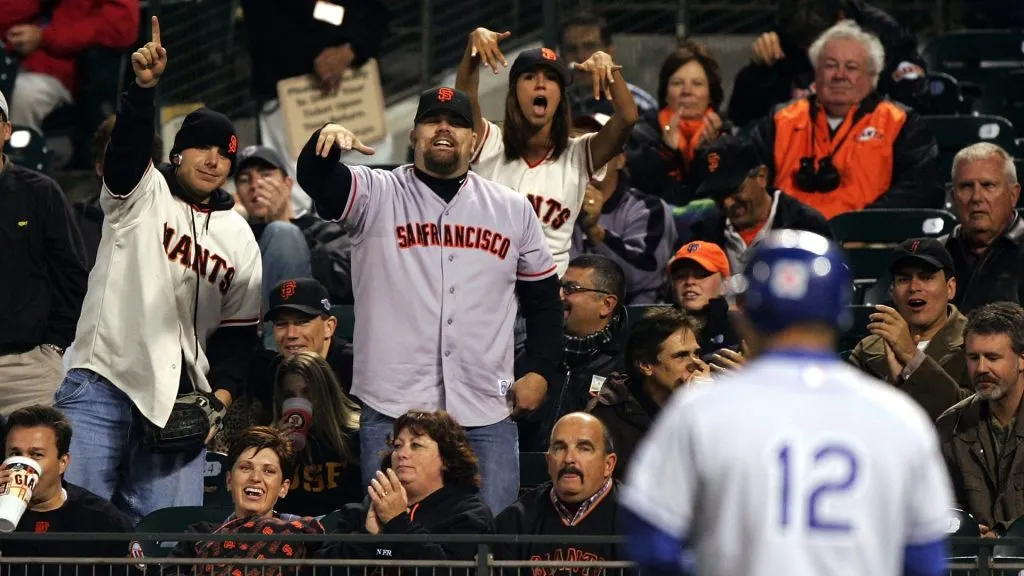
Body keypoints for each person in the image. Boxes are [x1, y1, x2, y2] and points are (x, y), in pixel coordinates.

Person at [621, 230, 953, 576]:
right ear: (839, 310)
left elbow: (651, 541)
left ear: (747, 313)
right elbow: (926, 560)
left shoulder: (701, 409)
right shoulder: (896, 417)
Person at [295, 87, 562, 514]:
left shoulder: (512, 209)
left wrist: (540, 370)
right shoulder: (375, 193)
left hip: (484, 407)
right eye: (433, 120)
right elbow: (317, 178)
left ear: (474, 140)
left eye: (456, 123)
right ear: (414, 134)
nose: (444, 129)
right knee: (391, 537)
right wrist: (324, 143)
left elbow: (544, 299)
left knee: (488, 538)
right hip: (393, 406)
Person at [54, 18, 262, 523]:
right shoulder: (140, 193)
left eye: (225, 154)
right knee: (76, 532)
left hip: (179, 404)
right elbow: (126, 150)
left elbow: (239, 338)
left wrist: (218, 402)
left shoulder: (239, 235)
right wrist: (143, 91)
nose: (213, 160)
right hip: (102, 381)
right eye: (203, 147)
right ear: (176, 151)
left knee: (168, 539)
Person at [456, 28, 639, 276]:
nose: (541, 83)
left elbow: (627, 118)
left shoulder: (578, 154)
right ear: (514, 92)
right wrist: (473, 49)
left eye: (551, 78)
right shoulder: (490, 143)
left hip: (548, 289)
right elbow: (464, 100)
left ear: (561, 96)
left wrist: (610, 72)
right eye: (530, 76)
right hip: (488, 284)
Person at [750, 20, 942, 220]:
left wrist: (858, 225)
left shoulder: (902, 123)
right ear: (816, 73)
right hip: (786, 234)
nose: (840, 75)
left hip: (866, 235)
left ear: (872, 77)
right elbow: (749, 182)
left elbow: (921, 191)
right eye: (830, 66)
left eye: (851, 67)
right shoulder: (779, 120)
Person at [241, 0, 390, 218]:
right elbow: (266, 23)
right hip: (290, 95)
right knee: (294, 201)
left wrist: (351, 48)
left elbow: (375, 10)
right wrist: (318, 59)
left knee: (372, 188)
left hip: (354, 88)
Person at [0, 89, 88, 415]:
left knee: (40, 451)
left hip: (28, 372)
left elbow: (73, 279)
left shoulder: (40, 192)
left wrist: (54, 346)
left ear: (6, 130)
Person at [318, 410, 494, 561]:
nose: (402, 453)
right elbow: (321, 568)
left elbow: (449, 570)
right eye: (397, 445)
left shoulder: (469, 514)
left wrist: (396, 521)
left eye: (416, 445)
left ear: (446, 459)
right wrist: (366, 537)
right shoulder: (366, 509)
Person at [728, 0, 927, 129]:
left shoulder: (887, 36)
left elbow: (915, 105)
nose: (809, 52)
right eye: (802, 44)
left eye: (815, 41)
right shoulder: (788, 34)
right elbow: (742, 117)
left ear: (841, 20)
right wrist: (759, 70)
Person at [163, 426, 326, 573]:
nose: (255, 477)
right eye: (245, 468)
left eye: (268, 471)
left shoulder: (303, 537)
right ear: (229, 481)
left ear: (283, 488)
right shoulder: (200, 536)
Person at [0, 406, 133, 576]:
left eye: (36, 455)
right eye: (15, 454)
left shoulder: (103, 521)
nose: (22, 465)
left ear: (62, 463)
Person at [850, 238, 971, 420]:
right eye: (904, 279)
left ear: (950, 288)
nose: (914, 287)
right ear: (893, 292)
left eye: (927, 277)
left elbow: (974, 417)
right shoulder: (868, 351)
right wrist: (892, 386)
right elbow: (851, 418)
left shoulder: (976, 344)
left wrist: (913, 359)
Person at [517, 255, 627, 452]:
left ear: (607, 304)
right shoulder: (530, 357)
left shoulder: (627, 369)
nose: (560, 296)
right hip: (524, 468)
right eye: (559, 287)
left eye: (571, 289)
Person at [495, 413, 623, 573]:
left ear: (608, 465)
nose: (569, 459)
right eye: (560, 448)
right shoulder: (515, 521)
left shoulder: (637, 520)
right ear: (549, 462)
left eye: (584, 448)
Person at [586, 307, 706, 478]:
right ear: (645, 365)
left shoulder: (709, 405)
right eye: (681, 355)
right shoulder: (607, 420)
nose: (696, 364)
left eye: (697, 353)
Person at [937, 302, 1024, 537]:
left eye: (992, 357)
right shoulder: (951, 426)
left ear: (1022, 359)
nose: (981, 368)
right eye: (974, 357)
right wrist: (963, 530)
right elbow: (942, 507)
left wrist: (1001, 536)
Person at [570, 114, 677, 304]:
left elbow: (640, 276)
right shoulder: (554, 208)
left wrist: (595, 232)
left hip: (632, 317)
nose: (588, 156)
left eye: (599, 146)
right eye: (580, 147)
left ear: (620, 159)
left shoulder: (649, 209)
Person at [688, 135, 832, 273]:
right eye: (718, 195)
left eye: (735, 190)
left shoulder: (806, 227)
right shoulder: (704, 235)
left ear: (761, 176)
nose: (727, 203)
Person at [234, 145, 354, 308]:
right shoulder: (239, 240)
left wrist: (282, 223)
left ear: (288, 184)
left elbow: (347, 284)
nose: (255, 185)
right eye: (244, 180)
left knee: (283, 232)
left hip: (311, 317)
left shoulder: (322, 229)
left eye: (266, 175)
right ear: (238, 195)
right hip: (251, 316)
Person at [0, 0, 140, 129]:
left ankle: (17, 148)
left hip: (66, 72)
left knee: (22, 95)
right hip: (14, 57)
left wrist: (44, 36)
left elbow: (122, 27)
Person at [628, 40, 730, 204]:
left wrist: (706, 152)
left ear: (711, 94)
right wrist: (667, 152)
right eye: (677, 83)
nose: (687, 91)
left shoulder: (726, 138)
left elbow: (718, 198)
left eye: (697, 84)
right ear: (665, 94)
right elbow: (646, 196)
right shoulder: (642, 136)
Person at [272, 351, 362, 517]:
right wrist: (275, 449)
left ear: (326, 392)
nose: (299, 401)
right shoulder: (271, 446)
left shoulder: (356, 438)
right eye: (290, 395)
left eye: (307, 393)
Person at [73, 115, 164, 270]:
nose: (129, 168)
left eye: (138, 159)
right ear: (100, 167)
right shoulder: (74, 224)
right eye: (120, 158)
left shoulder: (172, 221)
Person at [942, 143, 1024, 313]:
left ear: (1013, 195)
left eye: (988, 185)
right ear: (953, 197)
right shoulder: (936, 254)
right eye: (966, 186)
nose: (976, 197)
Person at [559, 12, 658, 119]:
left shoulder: (638, 106)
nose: (580, 56)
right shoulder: (555, 104)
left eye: (589, 47)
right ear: (562, 55)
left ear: (609, 52)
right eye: (571, 49)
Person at [667, 241, 741, 354]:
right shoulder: (656, 330)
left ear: (725, 284)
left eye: (701, 275)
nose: (689, 282)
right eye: (681, 276)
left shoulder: (742, 328)